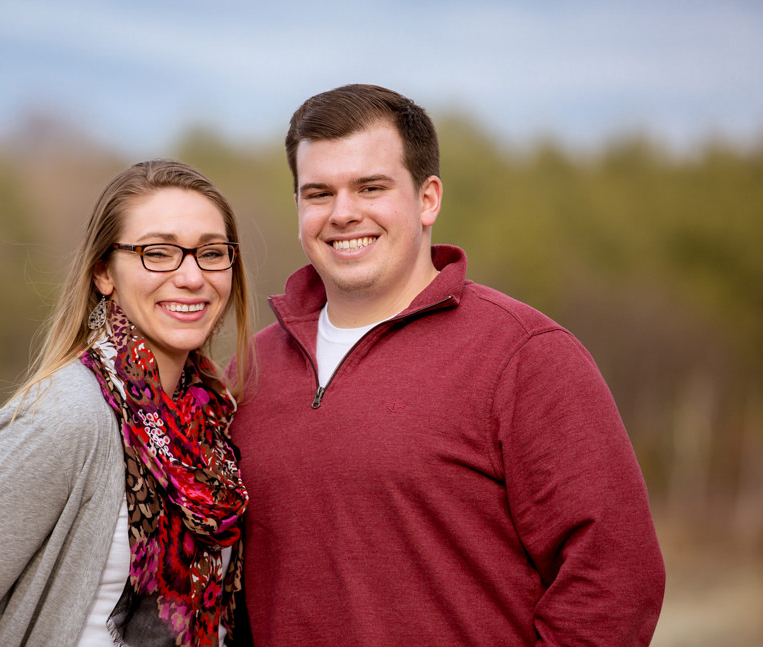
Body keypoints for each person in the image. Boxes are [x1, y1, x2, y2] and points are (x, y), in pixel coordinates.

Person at [230, 84, 665, 646]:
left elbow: (615, 578)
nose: (343, 213)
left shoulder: (524, 356)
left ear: (428, 198)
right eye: (318, 193)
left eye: (370, 187)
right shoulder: (251, 370)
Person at [0, 160, 253, 647]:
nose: (192, 276)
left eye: (211, 253)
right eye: (159, 252)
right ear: (104, 273)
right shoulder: (64, 419)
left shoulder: (213, 427)